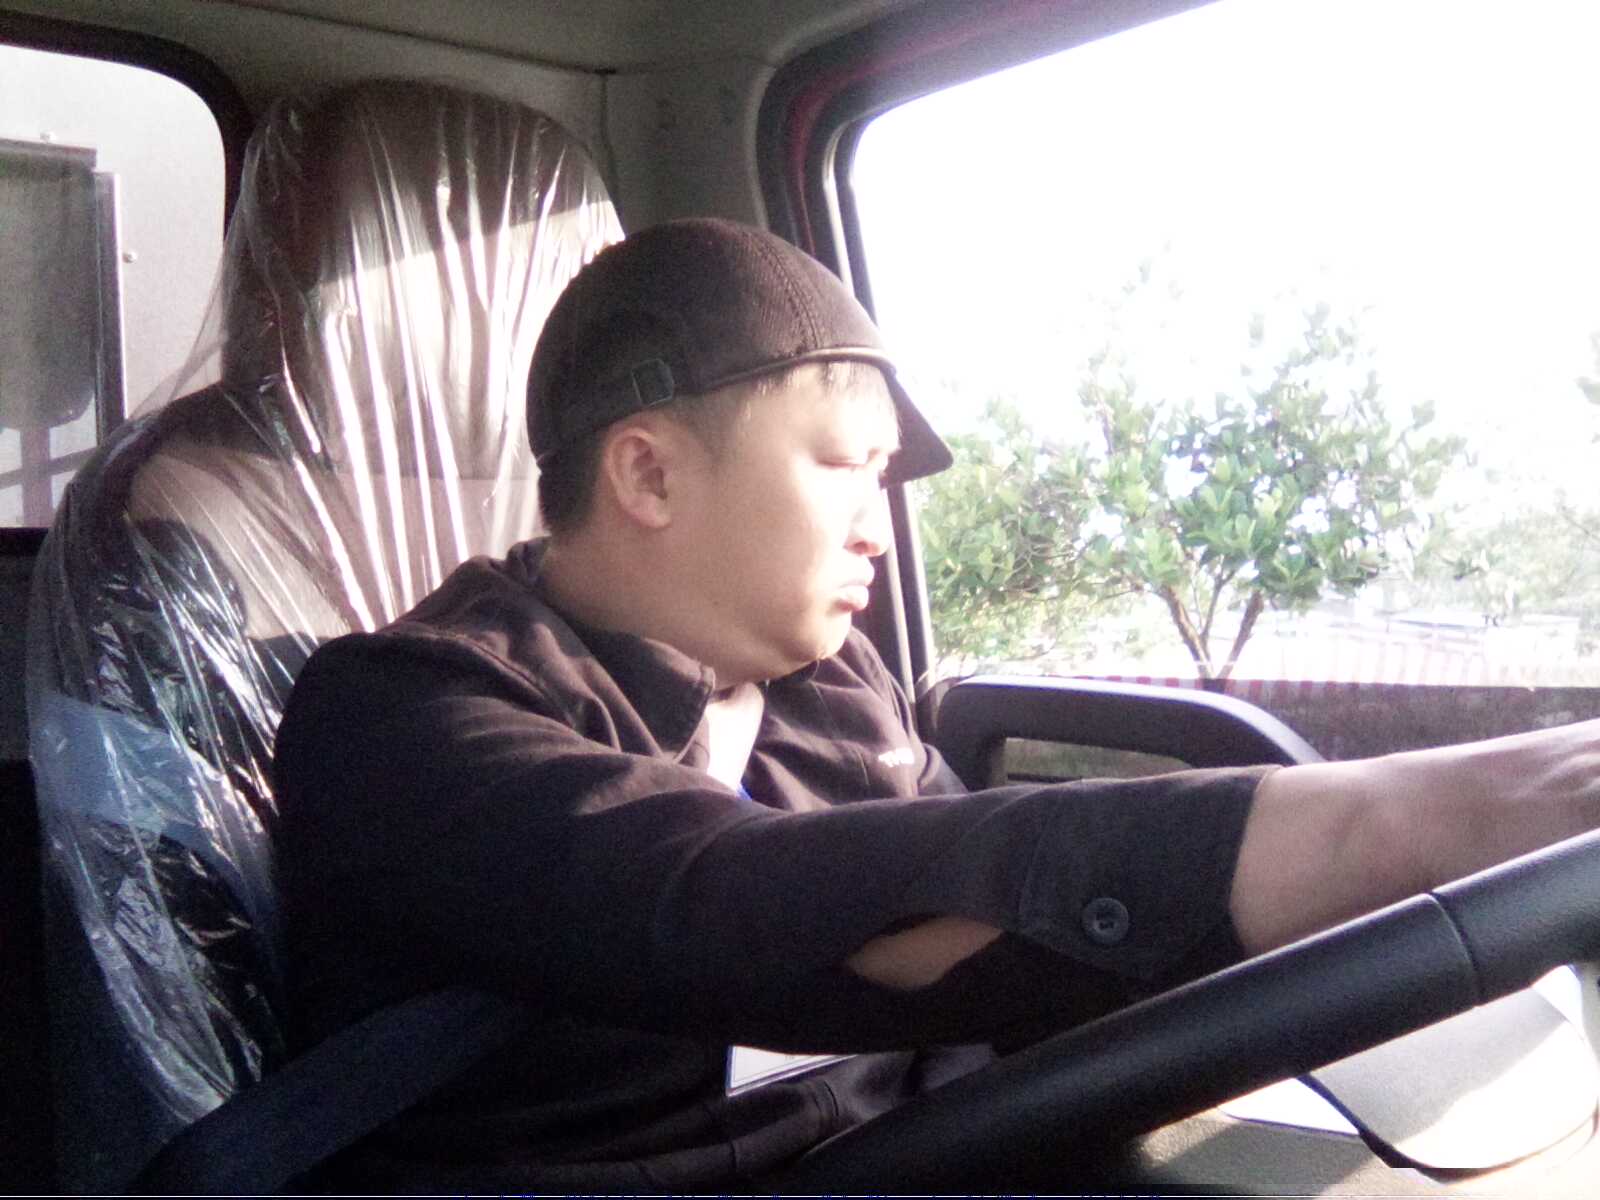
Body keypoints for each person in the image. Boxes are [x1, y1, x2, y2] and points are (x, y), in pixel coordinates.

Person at [273, 217, 1600, 1191]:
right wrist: (1422, 815)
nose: (880, 528)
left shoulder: (828, 682)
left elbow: (977, 936)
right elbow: (740, 905)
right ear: (650, 476)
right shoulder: (404, 719)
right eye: (844, 467)